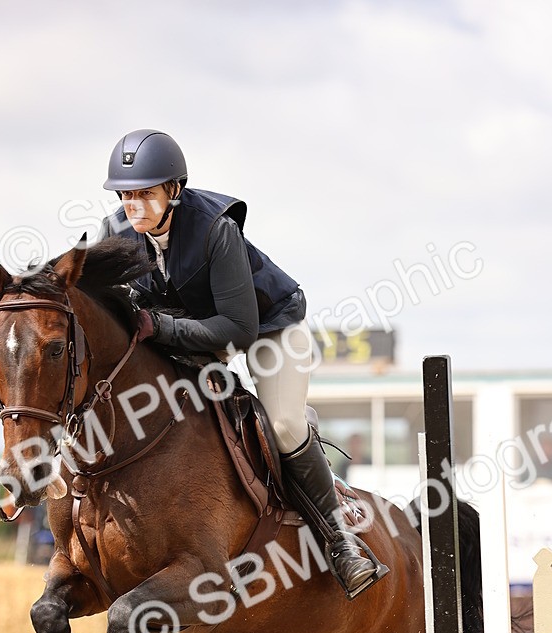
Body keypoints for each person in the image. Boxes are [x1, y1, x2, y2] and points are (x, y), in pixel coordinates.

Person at [99, 128, 383, 598]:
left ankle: (340, 542)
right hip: (190, 331)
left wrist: (161, 328)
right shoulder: (116, 233)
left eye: (145, 194)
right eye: (126, 195)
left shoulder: (216, 229)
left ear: (174, 190)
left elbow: (237, 329)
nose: (134, 207)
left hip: (267, 326)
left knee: (285, 424)